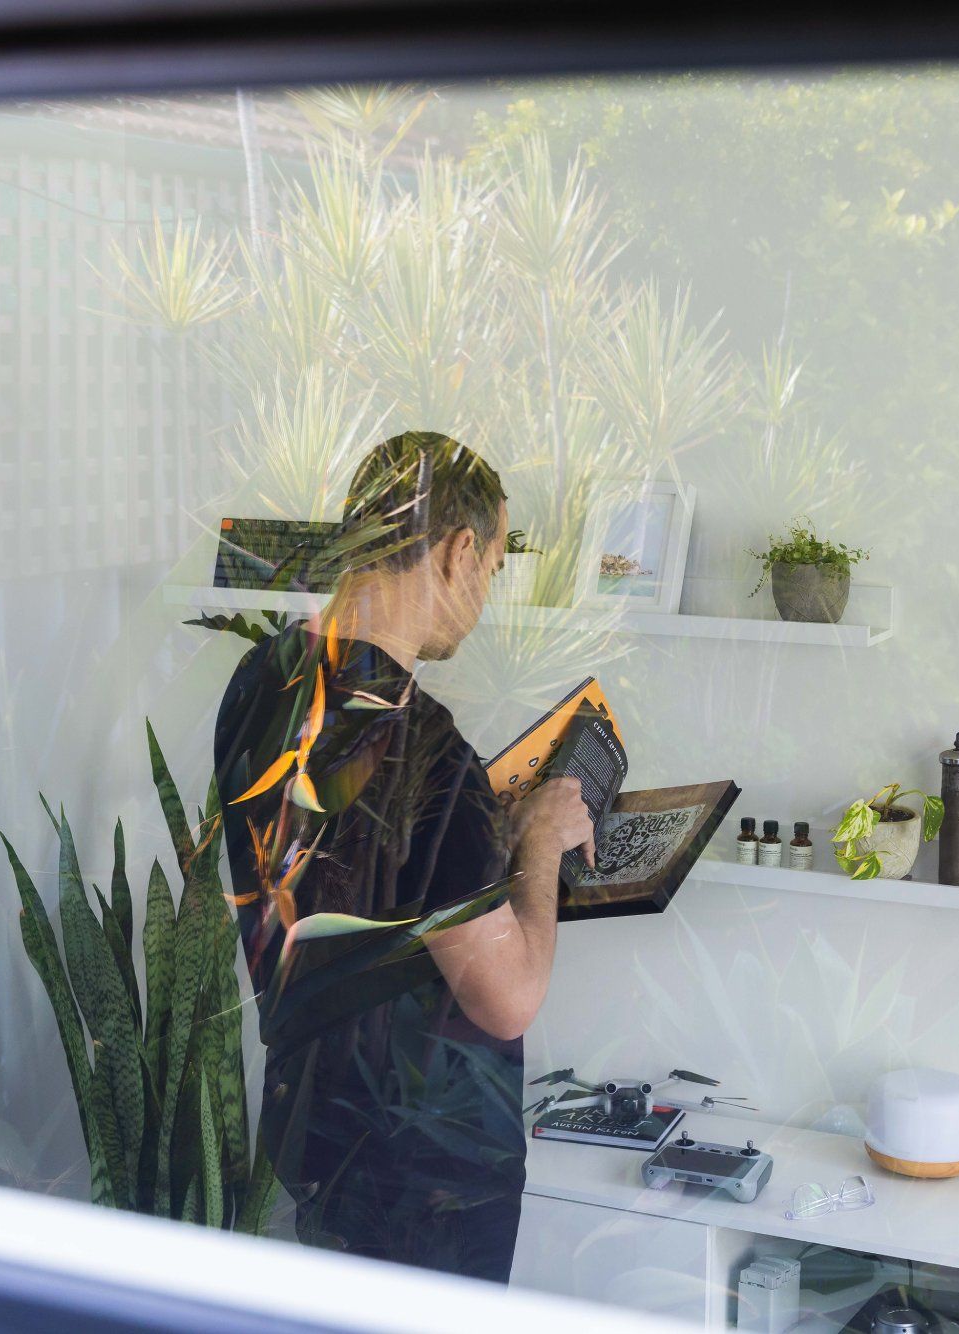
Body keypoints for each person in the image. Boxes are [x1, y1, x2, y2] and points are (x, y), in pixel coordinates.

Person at [213, 431, 594, 1282]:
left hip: (309, 1123)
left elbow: (350, 862)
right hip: (423, 1179)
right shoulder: (428, 753)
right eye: (493, 568)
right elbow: (508, 999)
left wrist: (470, 835)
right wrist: (534, 847)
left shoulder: (263, 678)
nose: (486, 595)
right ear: (460, 551)